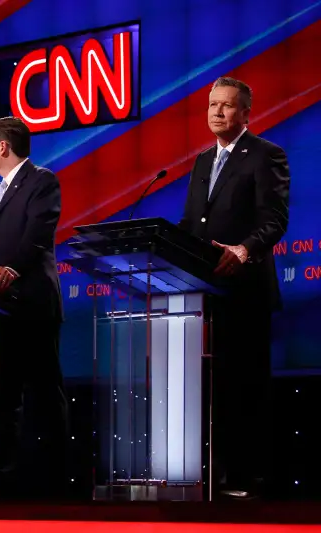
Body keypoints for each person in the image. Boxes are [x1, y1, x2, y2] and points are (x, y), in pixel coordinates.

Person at [178, 77, 290, 499]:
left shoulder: (266, 155)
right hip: (206, 294)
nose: (217, 113)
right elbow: (192, 224)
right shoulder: (203, 161)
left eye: (226, 106)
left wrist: (243, 251)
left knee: (247, 386)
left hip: (245, 291)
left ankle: (251, 479)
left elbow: (275, 220)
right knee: (213, 387)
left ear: (245, 112)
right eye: (212, 105)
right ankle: (216, 476)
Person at [0, 117, 68, 500]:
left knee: (44, 393)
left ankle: (56, 480)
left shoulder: (41, 181)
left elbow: (39, 232)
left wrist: (13, 267)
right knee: (3, 396)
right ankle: (5, 483)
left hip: (32, 303)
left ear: (4, 146)